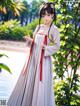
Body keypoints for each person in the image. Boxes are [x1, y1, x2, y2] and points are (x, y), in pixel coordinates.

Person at [7, 2, 60, 106]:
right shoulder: (39, 27)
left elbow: (57, 46)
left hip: (43, 62)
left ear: (52, 15)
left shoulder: (54, 29)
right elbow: (35, 43)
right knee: (29, 82)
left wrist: (46, 48)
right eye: (43, 15)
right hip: (32, 59)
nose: (46, 17)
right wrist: (30, 40)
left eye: (48, 15)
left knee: (40, 85)